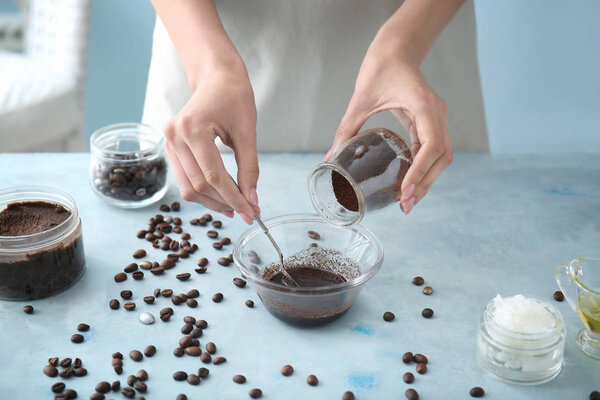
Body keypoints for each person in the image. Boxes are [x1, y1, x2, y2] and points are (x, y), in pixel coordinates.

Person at [142, 0, 489, 224]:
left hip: (415, 42)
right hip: (207, 42)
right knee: (202, 174)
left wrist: (403, 45)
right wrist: (209, 68)